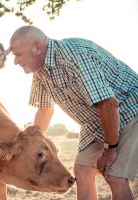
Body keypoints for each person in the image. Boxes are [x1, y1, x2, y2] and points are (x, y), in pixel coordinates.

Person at [9, 25, 138, 200]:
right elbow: (46, 109)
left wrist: (110, 149)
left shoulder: (74, 56)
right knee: (82, 171)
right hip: (96, 121)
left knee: (114, 176)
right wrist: (31, 143)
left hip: (129, 108)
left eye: (18, 54)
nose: (15, 61)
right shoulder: (40, 71)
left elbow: (109, 104)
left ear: (37, 47)